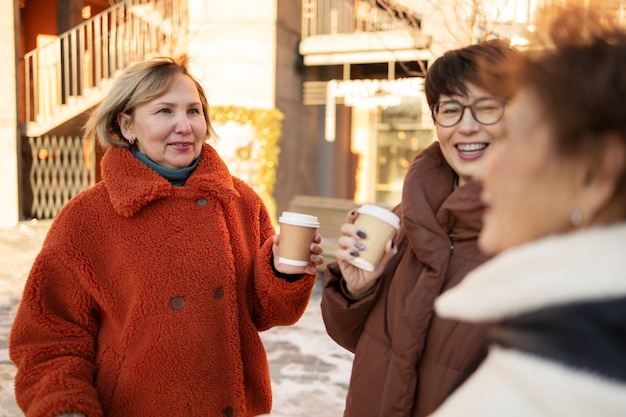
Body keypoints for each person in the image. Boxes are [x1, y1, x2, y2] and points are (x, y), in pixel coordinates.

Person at [9, 55, 323, 417]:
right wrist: (65, 408)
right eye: (164, 111)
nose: (185, 126)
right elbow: (49, 337)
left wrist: (284, 271)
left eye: (194, 111)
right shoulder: (86, 218)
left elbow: (265, 313)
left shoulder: (240, 202)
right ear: (126, 125)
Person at [429, 6, 626, 417]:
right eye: (450, 110)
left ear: (594, 174)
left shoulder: (546, 389)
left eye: (511, 139)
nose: (486, 167)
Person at [320, 39, 517, 417]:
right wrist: (356, 289)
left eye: (487, 108)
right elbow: (361, 340)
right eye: (451, 109)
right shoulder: (409, 214)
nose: (467, 126)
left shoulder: (545, 236)